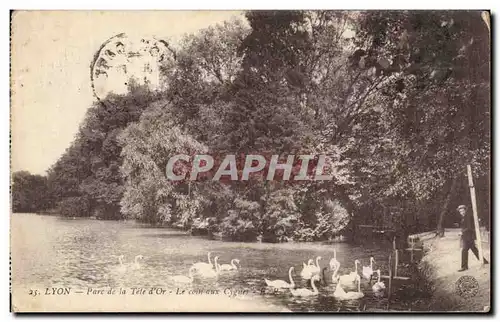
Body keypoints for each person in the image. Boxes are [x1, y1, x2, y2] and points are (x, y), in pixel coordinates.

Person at [457, 204, 488, 272]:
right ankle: (484, 261)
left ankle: (464, 267)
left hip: (469, 236)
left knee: (464, 250)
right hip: (466, 236)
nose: (462, 212)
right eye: (460, 211)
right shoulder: (463, 217)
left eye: (462, 211)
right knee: (474, 249)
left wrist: (462, 232)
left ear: (465, 210)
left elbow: (469, 227)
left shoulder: (468, 217)